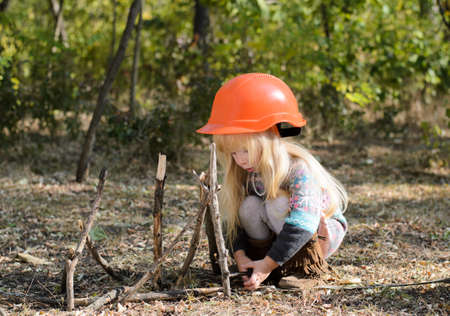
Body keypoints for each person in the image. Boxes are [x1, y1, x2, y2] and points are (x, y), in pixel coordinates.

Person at [197, 73, 348, 290]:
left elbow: (303, 224)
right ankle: (264, 266)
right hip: (277, 240)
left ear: (268, 141)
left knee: (277, 203)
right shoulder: (245, 173)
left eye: (246, 150)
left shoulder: (298, 170)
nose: (240, 159)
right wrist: (241, 257)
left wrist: (267, 265)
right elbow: (233, 224)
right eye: (233, 153)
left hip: (316, 235)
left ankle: (301, 269)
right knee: (248, 207)